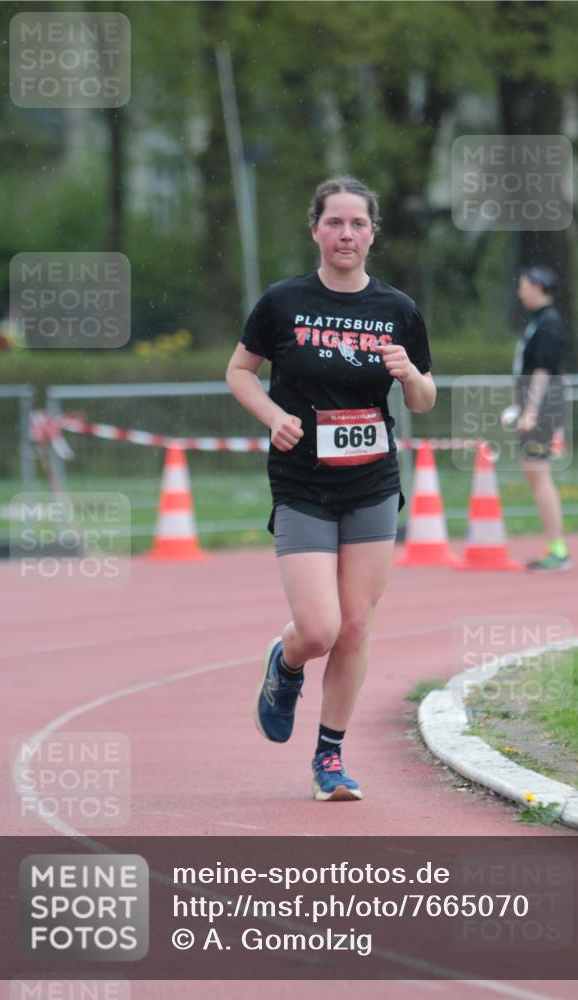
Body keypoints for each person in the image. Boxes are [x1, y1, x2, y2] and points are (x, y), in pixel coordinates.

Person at [226, 176, 435, 801]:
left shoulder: (397, 309)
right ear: (315, 230)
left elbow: (424, 400)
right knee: (318, 628)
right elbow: (239, 371)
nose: (346, 234)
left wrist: (408, 375)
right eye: (335, 223)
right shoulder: (283, 301)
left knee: (355, 627)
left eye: (358, 224)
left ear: (373, 233)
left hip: (371, 482)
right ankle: (285, 663)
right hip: (302, 483)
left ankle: (329, 759)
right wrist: (274, 417)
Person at [514, 265, 570, 571]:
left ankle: (558, 548)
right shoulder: (538, 322)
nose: (520, 292)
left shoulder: (549, 322)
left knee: (539, 473)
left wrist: (532, 411)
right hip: (537, 406)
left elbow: (543, 370)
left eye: (523, 286)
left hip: (544, 407)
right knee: (534, 473)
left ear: (538, 287)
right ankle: (555, 544)